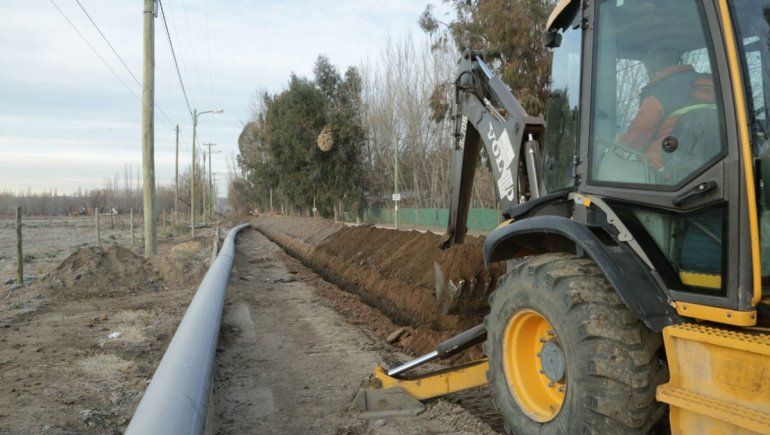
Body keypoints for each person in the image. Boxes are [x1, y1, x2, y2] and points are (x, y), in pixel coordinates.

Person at [618, 47, 715, 171]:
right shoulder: (713, 86)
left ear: (652, 70)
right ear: (678, 63)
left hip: (662, 170)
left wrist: (618, 142)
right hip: (709, 166)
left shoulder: (659, 92)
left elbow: (636, 139)